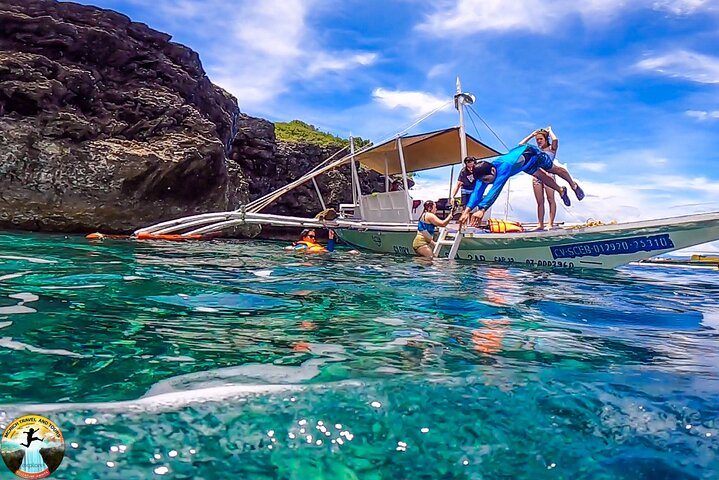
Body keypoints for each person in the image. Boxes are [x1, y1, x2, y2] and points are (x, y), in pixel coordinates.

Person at [458, 132, 585, 228]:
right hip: (524, 165)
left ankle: (573, 185)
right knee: (541, 177)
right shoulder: (483, 171)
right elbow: (477, 192)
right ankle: (561, 191)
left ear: (493, 171)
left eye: (487, 180)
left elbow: (496, 189)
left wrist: (482, 209)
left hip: (533, 155)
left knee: (554, 170)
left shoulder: (505, 167)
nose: (486, 183)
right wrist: (467, 210)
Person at [519, 128, 558, 230]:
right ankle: (540, 224)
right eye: (537, 140)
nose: (539, 141)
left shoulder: (551, 149)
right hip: (537, 177)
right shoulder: (536, 150)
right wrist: (532, 135)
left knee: (551, 199)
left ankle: (550, 223)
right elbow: (520, 145)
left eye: (541, 139)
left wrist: (550, 131)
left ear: (546, 139)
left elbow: (555, 140)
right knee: (540, 201)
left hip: (549, 175)